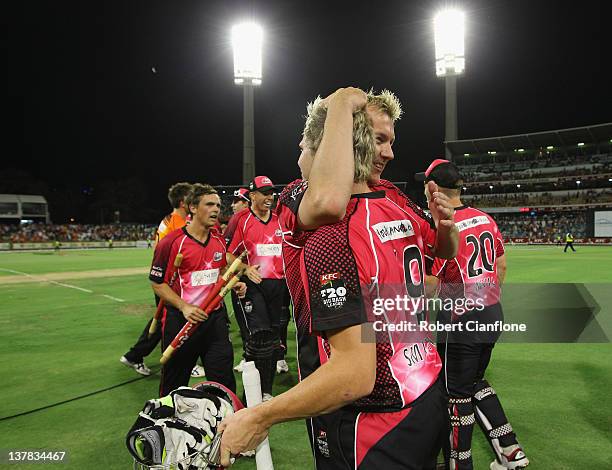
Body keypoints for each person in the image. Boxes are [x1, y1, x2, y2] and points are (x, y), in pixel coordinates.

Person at [220, 87, 458, 469]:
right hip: (424, 387)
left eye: (305, 146)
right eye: (379, 139)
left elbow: (353, 376)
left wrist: (258, 416)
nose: (299, 152)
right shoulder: (389, 198)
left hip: (371, 416)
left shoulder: (333, 233)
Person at [418, 159, 529, 470]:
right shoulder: (485, 219)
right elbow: (502, 265)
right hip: (492, 312)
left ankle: (459, 464)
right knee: (475, 382)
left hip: (461, 320)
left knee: (456, 395)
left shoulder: (444, 227)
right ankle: (510, 451)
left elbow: (434, 284)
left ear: (433, 188)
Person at [151, 183, 246, 396]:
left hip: (215, 321)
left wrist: (235, 282)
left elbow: (221, 270)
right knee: (174, 387)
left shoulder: (219, 240)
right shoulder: (172, 242)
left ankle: (225, 426)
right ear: (193, 207)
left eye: (218, 205)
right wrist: (184, 307)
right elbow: (157, 282)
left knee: (223, 382)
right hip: (182, 320)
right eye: (209, 204)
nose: (216, 210)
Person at [120, 182, 205, 377]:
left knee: (163, 322)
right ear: (184, 202)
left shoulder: (175, 220)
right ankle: (144, 356)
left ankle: (135, 356)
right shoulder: (174, 223)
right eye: (192, 197)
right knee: (174, 322)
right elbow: (163, 254)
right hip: (170, 282)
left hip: (179, 282)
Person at [227, 176, 288, 401]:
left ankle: (266, 391)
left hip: (278, 287)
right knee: (258, 338)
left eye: (271, 193)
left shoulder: (281, 219)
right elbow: (228, 255)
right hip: (254, 287)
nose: (269, 197)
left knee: (273, 339)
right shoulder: (241, 220)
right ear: (252, 196)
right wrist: (244, 269)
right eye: (264, 193)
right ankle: (252, 393)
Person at [222, 188, 251, 373]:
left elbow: (225, 252)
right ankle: (276, 357)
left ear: (247, 201)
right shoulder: (269, 217)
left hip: (244, 278)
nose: (233, 205)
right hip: (268, 277)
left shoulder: (238, 219)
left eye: (237, 201)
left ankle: (250, 358)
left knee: (246, 323)